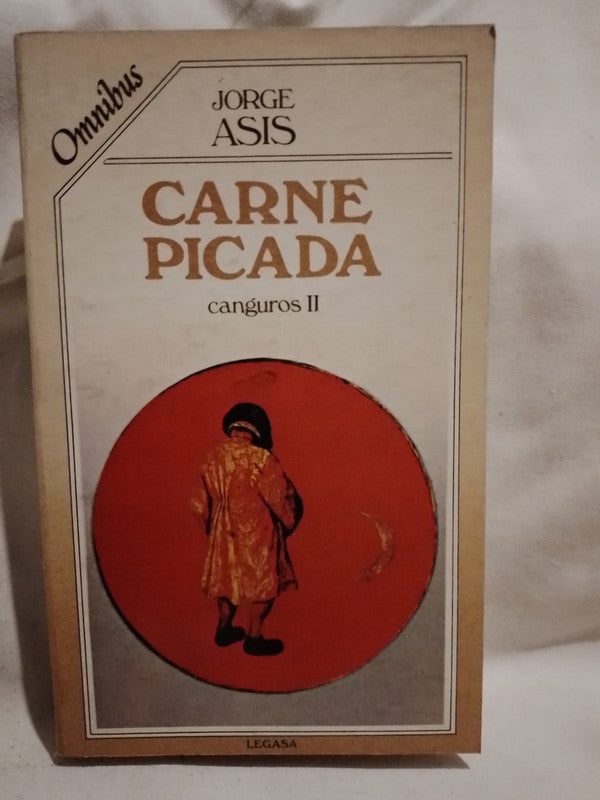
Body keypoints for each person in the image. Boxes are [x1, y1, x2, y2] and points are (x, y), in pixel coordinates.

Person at [190, 403, 302, 656]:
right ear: (258, 430)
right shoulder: (261, 458)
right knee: (263, 582)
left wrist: (211, 528)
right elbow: (280, 498)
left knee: (225, 580)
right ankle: (254, 637)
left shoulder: (211, 457)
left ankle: (224, 628)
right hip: (258, 531)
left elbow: (197, 505)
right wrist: (288, 523)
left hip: (222, 531)